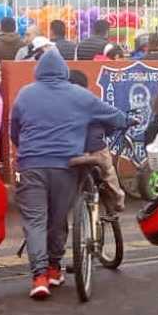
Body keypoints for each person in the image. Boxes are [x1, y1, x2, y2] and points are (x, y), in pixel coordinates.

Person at [10, 50, 128, 299]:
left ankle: (39, 277)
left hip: (31, 166)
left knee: (35, 222)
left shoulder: (25, 94)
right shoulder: (80, 95)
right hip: (66, 166)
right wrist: (126, 121)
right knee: (58, 219)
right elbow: (114, 117)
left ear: (38, 71)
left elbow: (14, 131)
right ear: (64, 72)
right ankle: (54, 269)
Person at [66, 70, 127, 212]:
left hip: (71, 151)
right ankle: (118, 199)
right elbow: (111, 122)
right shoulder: (91, 102)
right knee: (108, 171)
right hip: (95, 150)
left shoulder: (61, 104)